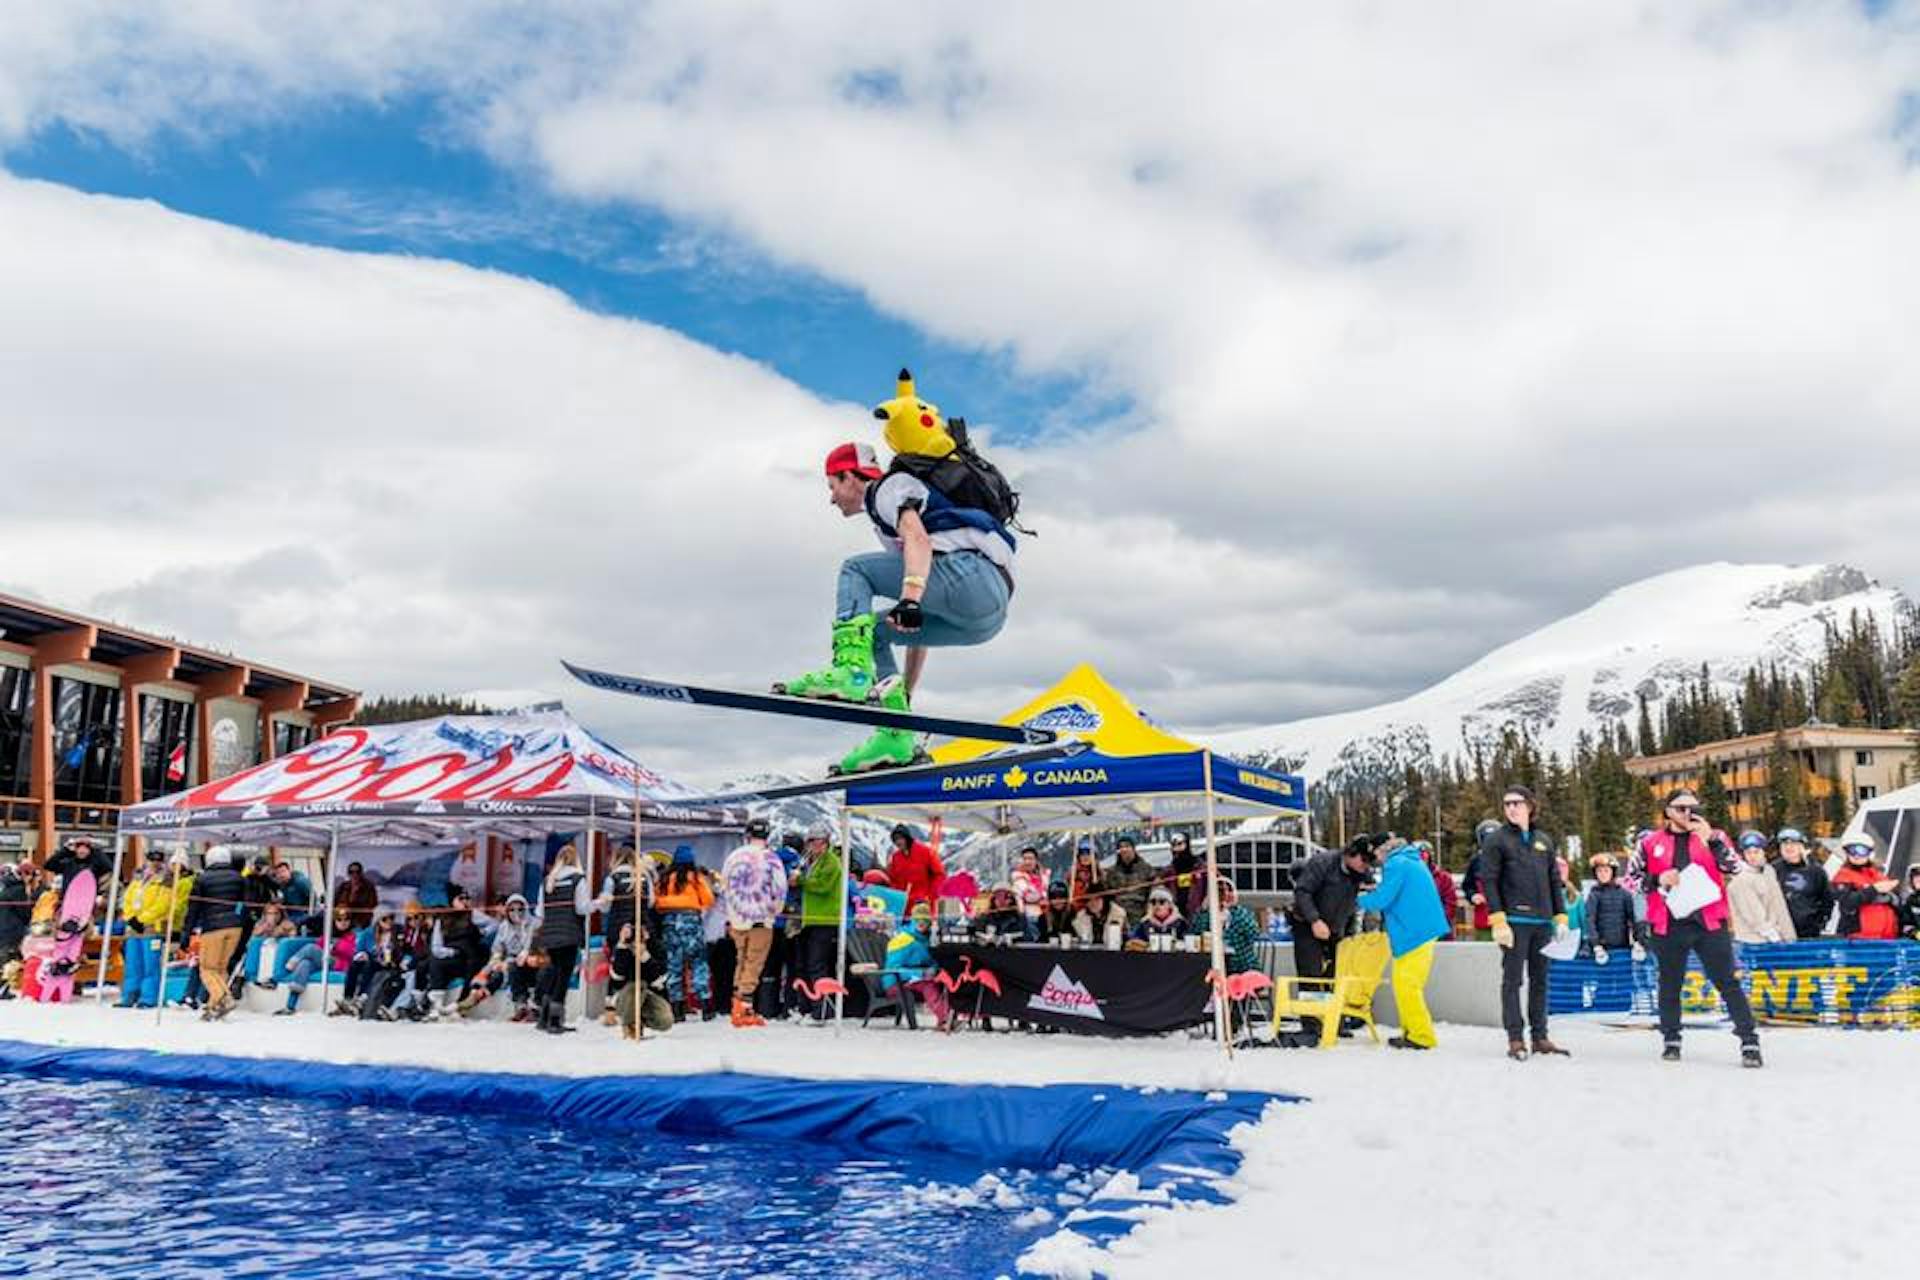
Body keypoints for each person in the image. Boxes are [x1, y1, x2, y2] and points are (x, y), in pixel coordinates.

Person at [774, 377, 1018, 774]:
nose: (831, 496)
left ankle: (849, 671)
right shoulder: (886, 517)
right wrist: (905, 697)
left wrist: (909, 599)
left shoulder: (888, 489)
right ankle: (895, 732)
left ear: (852, 476)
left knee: (854, 569)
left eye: (833, 484)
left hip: (971, 576)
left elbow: (918, 542)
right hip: (986, 614)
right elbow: (912, 619)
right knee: (877, 631)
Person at [1625, 788, 1762, 1067]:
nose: (1687, 813)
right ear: (1667, 811)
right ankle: (1671, 1039)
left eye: (1692, 808)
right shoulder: (1650, 842)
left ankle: (1749, 1041)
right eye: (1680, 808)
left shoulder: (1714, 836)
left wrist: (1711, 840)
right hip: (1668, 922)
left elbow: (1736, 868)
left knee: (1727, 981)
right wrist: (1657, 879)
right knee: (1670, 983)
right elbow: (1629, 881)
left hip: (1708, 920)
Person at [1481, 786, 1569, 1060]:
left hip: (1542, 922)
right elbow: (1490, 881)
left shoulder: (1543, 840)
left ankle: (1540, 1037)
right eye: (1507, 803)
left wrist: (1560, 916)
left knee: (1541, 980)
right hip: (1514, 923)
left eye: (1517, 803)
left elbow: (1554, 881)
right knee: (1512, 981)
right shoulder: (1496, 840)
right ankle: (1515, 1038)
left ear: (1530, 806)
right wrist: (1498, 920)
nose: (1511, 808)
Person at [1356, 836, 1450, 1050]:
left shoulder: (1396, 863)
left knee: (1408, 985)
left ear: (1383, 849)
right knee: (1402, 983)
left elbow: (1383, 899)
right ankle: (1412, 1031)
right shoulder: (1408, 860)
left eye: (1375, 853)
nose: (1375, 858)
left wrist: (1357, 899)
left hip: (1416, 931)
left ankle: (1422, 1036)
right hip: (1417, 930)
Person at [1284, 836, 1376, 1044]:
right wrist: (1315, 920)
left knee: (1338, 972)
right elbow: (1303, 892)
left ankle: (1335, 1020)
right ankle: (1312, 1025)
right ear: (1350, 854)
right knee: (1311, 974)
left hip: (1337, 927)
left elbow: (1371, 894)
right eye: (1364, 860)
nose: (1366, 866)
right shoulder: (1322, 863)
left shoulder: (1361, 872)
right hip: (1307, 923)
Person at [721, 818, 789, 1028]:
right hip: (761, 918)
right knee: (754, 963)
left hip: (738, 917)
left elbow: (724, 885)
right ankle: (744, 1008)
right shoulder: (772, 858)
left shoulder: (733, 857)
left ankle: (737, 1004)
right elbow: (780, 888)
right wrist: (776, 910)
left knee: (741, 960)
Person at [531, 844, 603, 1035]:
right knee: (563, 976)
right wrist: (598, 903)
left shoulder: (548, 881)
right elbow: (581, 908)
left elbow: (539, 912)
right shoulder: (578, 879)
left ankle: (544, 1018)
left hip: (550, 934)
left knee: (554, 972)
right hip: (569, 934)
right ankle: (555, 1020)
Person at [183, 846, 250, 1020]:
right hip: (235, 927)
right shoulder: (240, 879)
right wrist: (239, 921)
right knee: (220, 968)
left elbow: (193, 909)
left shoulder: (202, 879)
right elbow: (245, 905)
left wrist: (187, 933)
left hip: (213, 927)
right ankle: (213, 1007)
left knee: (207, 968)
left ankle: (224, 998)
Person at [656, 846, 716, 1020]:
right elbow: (708, 900)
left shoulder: (665, 878)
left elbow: (657, 901)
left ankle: (677, 1010)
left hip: (669, 923)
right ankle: (705, 1007)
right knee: (698, 963)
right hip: (691, 922)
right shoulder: (696, 878)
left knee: (674, 965)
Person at [459, 894, 540, 1020]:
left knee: (509, 969)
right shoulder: (504, 927)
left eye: (520, 909)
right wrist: (496, 961)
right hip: (508, 961)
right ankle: (473, 997)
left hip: (529, 962)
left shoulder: (533, 924)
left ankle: (522, 1005)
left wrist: (509, 961)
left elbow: (529, 948)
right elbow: (497, 949)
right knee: (490, 970)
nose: (516, 913)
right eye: (512, 910)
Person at [116, 852, 172, 1009]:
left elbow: (163, 905)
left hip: (152, 928)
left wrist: (142, 919)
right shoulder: (138, 879)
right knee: (133, 963)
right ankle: (129, 995)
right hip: (134, 928)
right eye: (151, 860)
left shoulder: (165, 881)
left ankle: (148, 997)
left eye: (158, 860)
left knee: (150, 965)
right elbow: (127, 899)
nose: (154, 863)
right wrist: (131, 917)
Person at [880, 902, 950, 1028]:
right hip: (895, 982)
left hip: (913, 979)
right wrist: (920, 974)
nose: (921, 922)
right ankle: (945, 1019)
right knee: (927, 985)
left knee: (941, 980)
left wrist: (935, 969)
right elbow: (893, 969)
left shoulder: (925, 939)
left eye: (925, 919)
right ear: (912, 919)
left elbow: (929, 961)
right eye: (918, 919)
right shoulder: (902, 939)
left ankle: (948, 1017)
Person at [425, 887, 489, 1019]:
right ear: (452, 901)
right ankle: (436, 1006)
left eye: (467, 898)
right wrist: (452, 952)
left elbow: (494, 925)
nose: (465, 902)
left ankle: (460, 1006)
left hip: (470, 958)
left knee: (475, 960)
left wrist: (483, 932)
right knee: (435, 963)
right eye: (461, 898)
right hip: (453, 956)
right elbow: (436, 947)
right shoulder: (442, 919)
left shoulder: (473, 915)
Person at [1727, 832, 1796, 945]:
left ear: (1764, 852)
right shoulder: (1741, 881)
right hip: (1754, 941)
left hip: (1778, 937)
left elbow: (1779, 906)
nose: (1752, 856)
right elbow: (1754, 916)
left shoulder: (1769, 871)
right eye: (1748, 853)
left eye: (1756, 852)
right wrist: (1775, 938)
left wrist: (1789, 936)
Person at [1831, 838, 1900, 940]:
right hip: (1858, 937)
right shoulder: (1843, 876)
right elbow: (1847, 901)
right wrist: (1874, 890)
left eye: (1862, 851)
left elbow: (1895, 899)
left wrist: (1892, 897)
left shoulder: (1877, 874)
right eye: (1852, 851)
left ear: (1869, 853)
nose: (1856, 855)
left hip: (1886, 936)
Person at [1190, 881, 1261, 975]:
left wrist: (1233, 909)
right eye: (1220, 891)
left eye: (1229, 890)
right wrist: (1206, 909)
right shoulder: (1205, 914)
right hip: (1211, 964)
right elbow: (1195, 933)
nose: (1226, 894)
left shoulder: (1241, 913)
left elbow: (1254, 933)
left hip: (1242, 965)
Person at [1772, 828, 1832, 939]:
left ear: (1801, 846)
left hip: (1810, 931)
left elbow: (1827, 899)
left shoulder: (1815, 870)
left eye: (1793, 844)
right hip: (1781, 931)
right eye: (1785, 844)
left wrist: (1820, 922)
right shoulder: (1772, 870)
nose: (1789, 847)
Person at [1581, 853, 1635, 962]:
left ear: (1613, 872)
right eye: (1599, 871)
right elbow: (1589, 919)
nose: (1603, 874)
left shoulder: (1624, 894)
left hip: (1622, 946)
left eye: (1606, 871)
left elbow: (1634, 918)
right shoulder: (1594, 895)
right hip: (1601, 949)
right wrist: (1595, 944)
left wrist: (1638, 941)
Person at [884, 824, 945, 914]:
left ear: (907, 838)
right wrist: (895, 897)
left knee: (922, 926)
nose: (898, 842)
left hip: (923, 904)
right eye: (895, 839)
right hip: (904, 906)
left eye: (900, 838)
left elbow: (939, 875)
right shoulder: (896, 857)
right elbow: (894, 880)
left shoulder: (925, 852)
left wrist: (931, 895)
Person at [1104, 838, 1157, 929]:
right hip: (1118, 915)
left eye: (1127, 846)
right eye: (1121, 847)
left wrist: (1149, 911)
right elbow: (1107, 893)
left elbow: (1154, 891)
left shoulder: (1146, 869)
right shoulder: (1111, 872)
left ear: (1133, 848)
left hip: (1140, 913)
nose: (1124, 849)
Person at [1418, 843, 1458, 938]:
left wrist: (1438, 921)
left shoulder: (1443, 878)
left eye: (1423, 856)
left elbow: (1450, 903)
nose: (1421, 860)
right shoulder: (1406, 879)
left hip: (1439, 929)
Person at [1011, 847, 1047, 940]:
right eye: (1025, 859)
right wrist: (1042, 895)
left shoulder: (1043, 875)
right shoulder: (1018, 876)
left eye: (1030, 858)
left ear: (1036, 860)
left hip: (1045, 914)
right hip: (1028, 916)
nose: (1027, 862)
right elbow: (1029, 897)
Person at [270, 861, 315, 932]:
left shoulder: (300, 882)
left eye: (283, 871)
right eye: (278, 873)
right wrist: (280, 902)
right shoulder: (282, 884)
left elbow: (313, 899)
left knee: (282, 928)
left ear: (289, 870)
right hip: (290, 912)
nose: (281, 875)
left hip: (303, 913)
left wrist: (309, 915)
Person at [335, 861, 379, 929]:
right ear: (348, 874)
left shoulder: (369, 887)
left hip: (360, 923)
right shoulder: (343, 886)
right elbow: (335, 902)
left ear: (361, 873)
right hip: (342, 920)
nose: (354, 874)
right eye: (351, 872)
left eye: (357, 872)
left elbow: (372, 906)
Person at [1899, 863, 1920, 940]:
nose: (1918, 879)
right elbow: (1906, 924)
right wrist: (1915, 933)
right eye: (1915, 876)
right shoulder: (1911, 900)